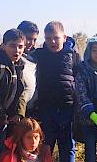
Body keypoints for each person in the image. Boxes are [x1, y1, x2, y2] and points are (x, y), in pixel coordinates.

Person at [0, 28, 37, 159]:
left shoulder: (19, 65)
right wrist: (0, 115)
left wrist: (19, 113)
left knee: (7, 153)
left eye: (20, 47)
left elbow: (21, 91)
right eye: (12, 46)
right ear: (3, 45)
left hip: (9, 120)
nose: (16, 50)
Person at [30, 21, 80, 162]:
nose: (52, 41)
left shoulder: (74, 56)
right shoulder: (39, 55)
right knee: (45, 146)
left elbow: (83, 77)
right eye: (48, 38)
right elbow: (19, 58)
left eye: (56, 38)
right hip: (47, 109)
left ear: (64, 37)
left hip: (68, 109)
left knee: (68, 146)